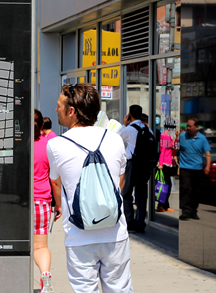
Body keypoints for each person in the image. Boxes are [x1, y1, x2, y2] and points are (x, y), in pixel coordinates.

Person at [47, 83, 133, 293]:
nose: (56, 109)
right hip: (115, 233)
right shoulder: (115, 139)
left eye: (59, 106)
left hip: (79, 235)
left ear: (71, 111)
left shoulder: (56, 145)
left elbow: (57, 183)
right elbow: (119, 183)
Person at [33, 109, 59, 293]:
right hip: (41, 200)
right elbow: (54, 180)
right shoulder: (49, 144)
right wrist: (58, 205)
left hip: (19, 203)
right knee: (40, 245)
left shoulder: (18, 144)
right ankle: (45, 274)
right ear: (42, 125)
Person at [119, 105, 149, 233]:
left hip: (132, 164)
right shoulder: (148, 130)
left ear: (130, 115)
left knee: (126, 193)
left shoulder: (130, 129)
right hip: (144, 165)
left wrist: (124, 125)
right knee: (141, 195)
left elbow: (117, 139)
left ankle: (130, 221)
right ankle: (140, 223)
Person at [178, 118, 211, 220]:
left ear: (196, 127)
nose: (188, 128)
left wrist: (208, 166)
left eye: (190, 126)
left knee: (196, 191)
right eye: (187, 126)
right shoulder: (182, 137)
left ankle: (193, 210)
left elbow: (207, 154)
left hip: (197, 168)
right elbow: (174, 147)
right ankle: (185, 211)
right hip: (185, 168)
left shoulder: (202, 139)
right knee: (186, 189)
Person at [156, 128, 177, 212]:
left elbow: (174, 147)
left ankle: (165, 205)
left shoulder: (169, 136)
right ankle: (162, 206)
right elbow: (162, 150)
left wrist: (176, 137)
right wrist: (160, 164)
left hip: (168, 163)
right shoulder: (165, 136)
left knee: (166, 186)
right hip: (164, 163)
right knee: (165, 186)